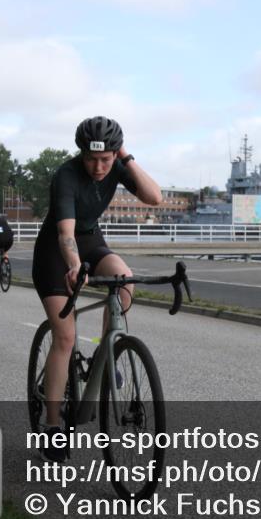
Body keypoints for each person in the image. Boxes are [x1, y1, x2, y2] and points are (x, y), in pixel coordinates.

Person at [32, 116, 163, 463]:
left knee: (124, 281)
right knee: (65, 337)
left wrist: (126, 157)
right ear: (81, 154)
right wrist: (74, 266)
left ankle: (107, 354)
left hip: (92, 242)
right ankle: (53, 422)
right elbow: (64, 235)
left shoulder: (117, 165)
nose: (100, 166)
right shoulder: (66, 175)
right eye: (92, 159)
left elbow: (155, 197)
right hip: (56, 253)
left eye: (106, 159)